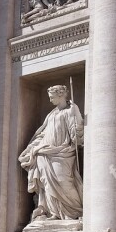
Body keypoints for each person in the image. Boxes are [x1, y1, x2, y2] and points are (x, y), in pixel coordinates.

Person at [19, 85, 84, 222]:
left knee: (64, 181)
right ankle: (53, 212)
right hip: (44, 152)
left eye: (52, 97)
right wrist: (32, 147)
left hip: (63, 152)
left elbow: (77, 130)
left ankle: (75, 211)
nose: (50, 100)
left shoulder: (71, 109)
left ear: (60, 95)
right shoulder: (52, 114)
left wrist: (77, 130)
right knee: (47, 184)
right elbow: (42, 134)